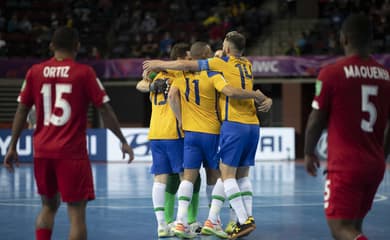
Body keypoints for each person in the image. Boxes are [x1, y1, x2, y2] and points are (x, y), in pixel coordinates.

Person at [3, 27, 134, 240]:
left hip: (42, 152)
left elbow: (22, 109)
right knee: (76, 215)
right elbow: (104, 109)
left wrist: (12, 146)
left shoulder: (34, 72)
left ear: (51, 46)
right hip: (71, 153)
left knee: (47, 207)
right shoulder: (84, 73)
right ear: (78, 46)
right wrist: (122, 140)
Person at [143, 31, 272, 239]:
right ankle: (221, 219)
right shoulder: (238, 67)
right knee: (223, 176)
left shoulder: (184, 74)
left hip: (190, 133)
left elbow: (172, 87)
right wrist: (258, 95)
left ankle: (180, 223)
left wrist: (158, 65)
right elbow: (229, 88)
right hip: (219, 130)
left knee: (188, 178)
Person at [304, 14, 390, 240]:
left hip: (346, 166)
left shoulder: (332, 73)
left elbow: (316, 119)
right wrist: (381, 154)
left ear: (344, 39)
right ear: (370, 40)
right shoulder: (385, 76)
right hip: (375, 164)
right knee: (354, 226)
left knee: (340, 228)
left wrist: (308, 151)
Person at [136, 43, 201, 237]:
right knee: (186, 177)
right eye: (188, 58)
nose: (190, 62)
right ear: (180, 59)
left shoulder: (158, 76)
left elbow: (140, 83)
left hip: (156, 134)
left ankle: (162, 225)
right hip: (174, 133)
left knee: (160, 178)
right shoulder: (178, 76)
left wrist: (150, 85)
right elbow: (145, 86)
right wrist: (182, 122)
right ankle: (182, 223)